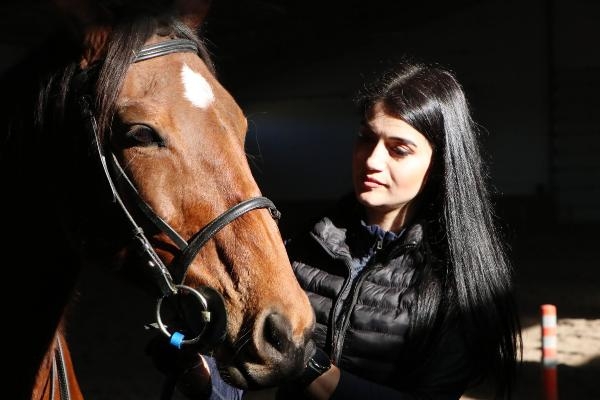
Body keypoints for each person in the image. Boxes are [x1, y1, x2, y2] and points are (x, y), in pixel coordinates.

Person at [270, 59, 522, 400]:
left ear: (438, 165)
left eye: (398, 149)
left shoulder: (456, 285)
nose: (372, 160)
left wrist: (311, 369)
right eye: (366, 138)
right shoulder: (300, 247)